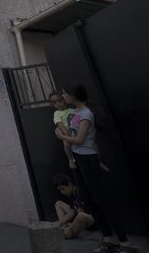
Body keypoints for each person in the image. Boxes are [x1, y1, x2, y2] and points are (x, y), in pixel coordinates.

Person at [55, 85, 137, 253]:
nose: (63, 96)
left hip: (87, 159)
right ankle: (109, 239)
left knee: (101, 200)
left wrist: (62, 137)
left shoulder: (86, 114)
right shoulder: (75, 113)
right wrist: (71, 158)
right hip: (78, 160)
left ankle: (124, 243)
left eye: (65, 93)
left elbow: (80, 139)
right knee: (88, 199)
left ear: (74, 95)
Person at [53, 172, 95, 239]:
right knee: (58, 204)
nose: (62, 192)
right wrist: (59, 223)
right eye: (60, 190)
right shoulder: (72, 194)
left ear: (69, 184)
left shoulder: (79, 191)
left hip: (90, 219)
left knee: (81, 216)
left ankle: (69, 232)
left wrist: (71, 227)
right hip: (79, 216)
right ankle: (64, 227)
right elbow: (72, 211)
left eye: (63, 189)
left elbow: (80, 213)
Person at [49, 91, 76, 169]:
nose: (58, 104)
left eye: (59, 101)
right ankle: (70, 159)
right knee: (67, 145)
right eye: (54, 102)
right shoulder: (57, 113)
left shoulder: (72, 110)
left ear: (64, 100)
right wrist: (66, 133)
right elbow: (59, 124)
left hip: (76, 131)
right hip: (66, 133)